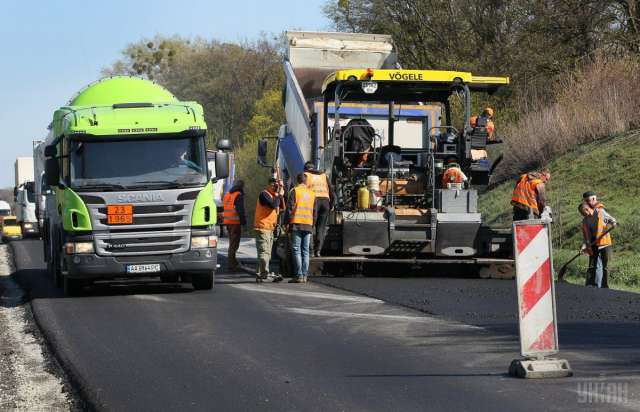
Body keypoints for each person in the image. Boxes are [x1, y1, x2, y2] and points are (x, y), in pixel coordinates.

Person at [581, 192, 617, 288]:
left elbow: (611, 219)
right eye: (586, 201)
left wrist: (613, 223)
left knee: (605, 266)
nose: (584, 214)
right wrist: (584, 246)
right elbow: (586, 236)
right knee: (594, 265)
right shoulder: (585, 220)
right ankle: (593, 284)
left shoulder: (600, 211)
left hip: (605, 243)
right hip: (594, 244)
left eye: (588, 201)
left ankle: (604, 286)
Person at [253, 177, 285, 282]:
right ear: (270, 184)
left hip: (270, 228)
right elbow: (273, 205)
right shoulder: (264, 194)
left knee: (267, 254)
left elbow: (282, 208)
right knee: (264, 253)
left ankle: (260, 273)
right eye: (274, 185)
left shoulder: (275, 196)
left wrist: (281, 195)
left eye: (277, 185)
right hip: (262, 228)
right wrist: (279, 195)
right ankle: (264, 273)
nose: (276, 187)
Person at [286, 173, 315, 283]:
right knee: (305, 251)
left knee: (296, 250)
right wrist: (313, 224)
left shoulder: (295, 191)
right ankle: (305, 275)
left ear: (297, 181)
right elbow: (315, 211)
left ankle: (299, 275)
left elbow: (289, 209)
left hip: (297, 224)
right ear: (306, 181)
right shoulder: (312, 194)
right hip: (308, 225)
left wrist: (286, 222)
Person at [303, 161, 335, 257]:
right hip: (325, 202)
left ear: (306, 169)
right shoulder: (323, 175)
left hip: (314, 201)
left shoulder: (306, 175)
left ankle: (311, 251)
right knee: (320, 228)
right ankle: (318, 251)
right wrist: (332, 204)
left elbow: (301, 190)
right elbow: (331, 190)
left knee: (310, 227)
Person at [223, 180, 246, 272]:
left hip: (228, 222)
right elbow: (240, 210)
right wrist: (244, 223)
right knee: (234, 244)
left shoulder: (228, 194)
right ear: (242, 187)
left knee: (231, 243)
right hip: (235, 223)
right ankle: (232, 264)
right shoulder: (238, 195)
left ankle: (233, 262)